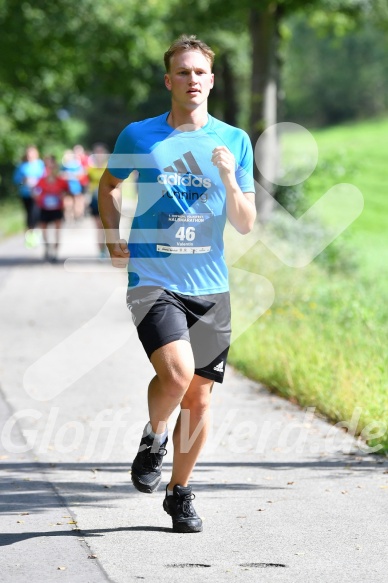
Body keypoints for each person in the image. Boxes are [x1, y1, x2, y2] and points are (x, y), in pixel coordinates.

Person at [98, 34, 256, 533]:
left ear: (211, 80)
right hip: (153, 278)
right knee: (178, 376)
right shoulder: (139, 136)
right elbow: (109, 185)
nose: (192, 80)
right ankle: (155, 437)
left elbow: (246, 222)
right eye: (183, 72)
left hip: (210, 285)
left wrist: (231, 180)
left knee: (202, 398)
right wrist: (110, 236)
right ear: (169, 81)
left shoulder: (234, 141)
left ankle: (179, 492)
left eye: (200, 72)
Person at [34, 156, 68, 262]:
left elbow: (67, 191)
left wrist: (62, 196)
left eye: (53, 167)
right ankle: (47, 247)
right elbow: (35, 192)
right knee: (44, 229)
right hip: (44, 208)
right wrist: (38, 198)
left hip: (57, 208)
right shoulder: (41, 181)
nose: (51, 170)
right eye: (48, 167)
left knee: (57, 230)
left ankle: (55, 251)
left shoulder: (61, 181)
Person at [13, 145, 45, 245]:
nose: (30, 155)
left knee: (37, 213)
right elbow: (16, 181)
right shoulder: (22, 166)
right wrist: (24, 181)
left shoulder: (40, 164)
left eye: (32, 153)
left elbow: (45, 178)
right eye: (28, 153)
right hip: (26, 194)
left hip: (39, 194)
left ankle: (37, 232)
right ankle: (30, 236)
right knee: (29, 214)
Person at [87, 144, 109, 258]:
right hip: (95, 199)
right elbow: (85, 183)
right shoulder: (90, 169)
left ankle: (105, 247)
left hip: (107, 199)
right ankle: (100, 249)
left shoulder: (109, 167)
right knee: (98, 226)